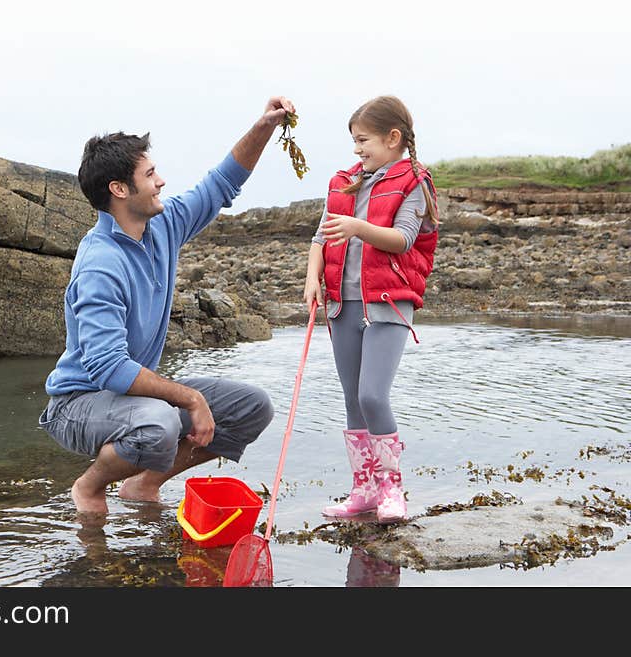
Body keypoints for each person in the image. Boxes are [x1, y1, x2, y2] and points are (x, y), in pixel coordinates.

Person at [40, 96, 295, 516]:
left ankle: (143, 484)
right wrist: (190, 398)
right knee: (157, 426)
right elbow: (108, 367)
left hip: (131, 400)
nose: (161, 181)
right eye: (150, 174)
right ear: (120, 190)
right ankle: (89, 487)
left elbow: (221, 184)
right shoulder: (100, 265)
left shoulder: (163, 225)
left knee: (252, 407)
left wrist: (264, 126)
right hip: (77, 404)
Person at [303, 95, 438, 524]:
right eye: (355, 142)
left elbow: (402, 239)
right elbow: (320, 238)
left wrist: (359, 227)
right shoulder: (344, 180)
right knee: (351, 400)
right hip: (343, 303)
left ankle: (391, 491)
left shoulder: (414, 182)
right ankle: (362, 490)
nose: (357, 150)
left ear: (393, 138)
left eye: (364, 141)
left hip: (388, 303)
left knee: (372, 395)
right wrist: (313, 278)